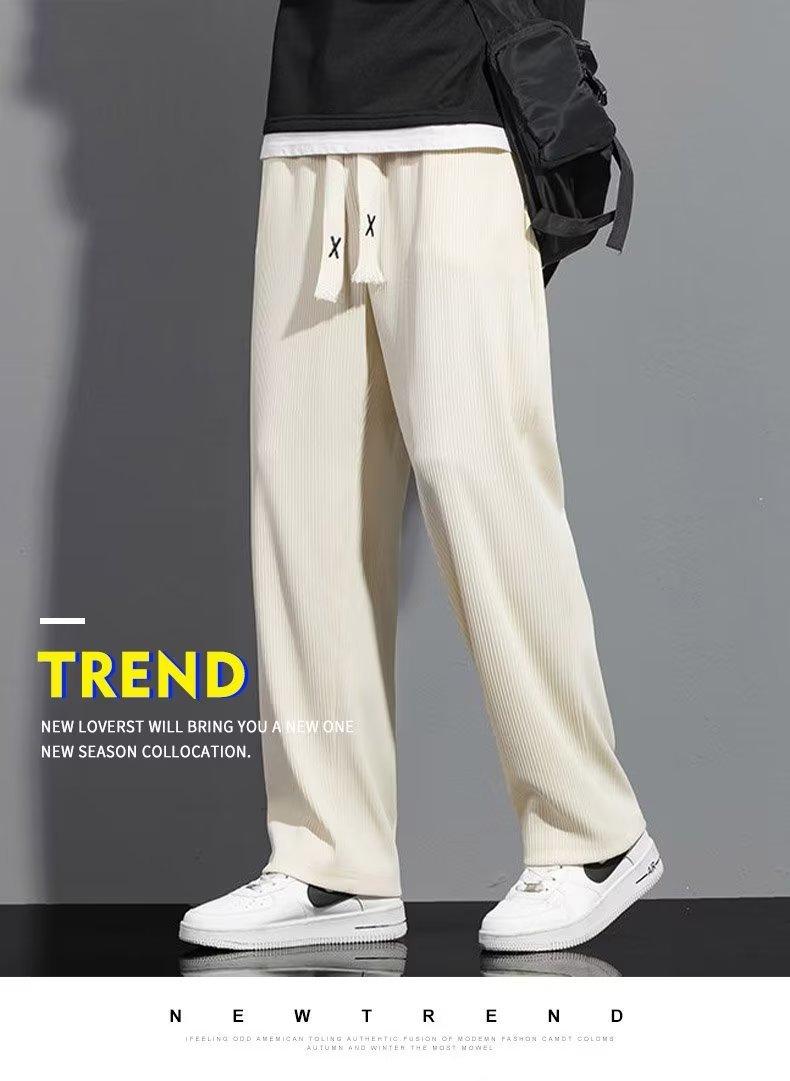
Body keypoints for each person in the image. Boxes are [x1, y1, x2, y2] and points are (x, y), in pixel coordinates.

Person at [180, 0, 662, 954]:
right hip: (311, 112)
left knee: (478, 466)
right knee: (305, 493)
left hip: (463, 102)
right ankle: (330, 861)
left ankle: (592, 835)